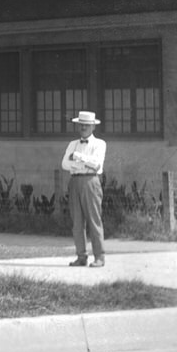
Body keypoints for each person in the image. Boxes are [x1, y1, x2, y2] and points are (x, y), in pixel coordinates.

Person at [61, 109, 107, 267]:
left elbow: (96, 165)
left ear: (93, 127)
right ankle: (81, 256)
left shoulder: (99, 144)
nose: (83, 127)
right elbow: (65, 164)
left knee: (94, 220)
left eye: (87, 125)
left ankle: (99, 257)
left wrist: (79, 158)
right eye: (81, 124)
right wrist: (82, 163)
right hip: (74, 181)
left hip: (90, 182)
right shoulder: (72, 144)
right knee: (77, 222)